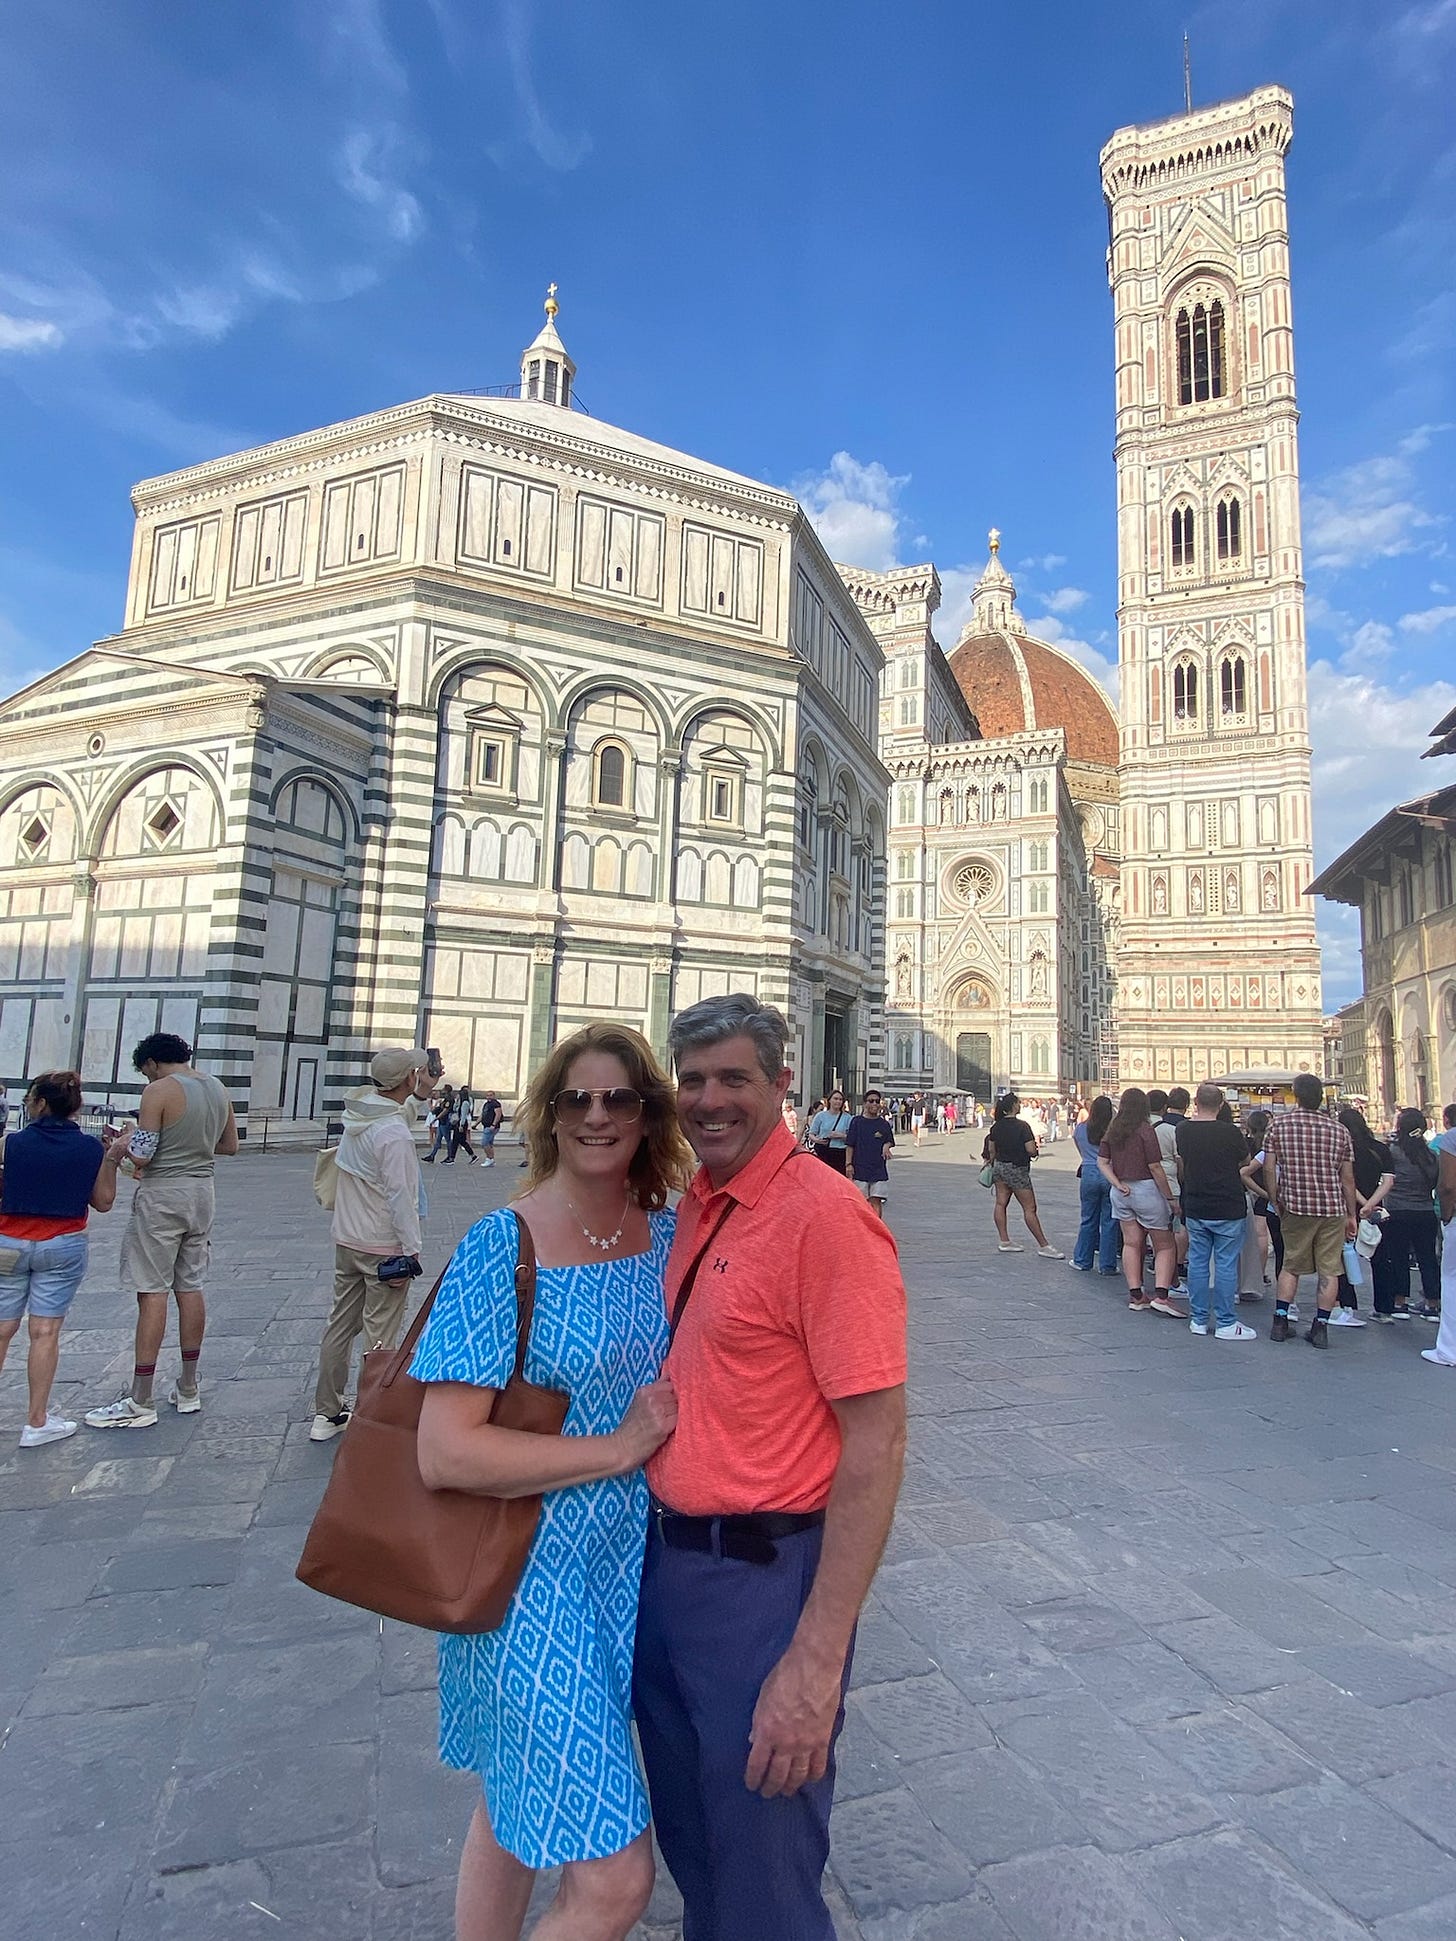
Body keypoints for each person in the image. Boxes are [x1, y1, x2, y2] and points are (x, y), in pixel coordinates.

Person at [633, 993, 907, 1941]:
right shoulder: (698, 1207)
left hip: (764, 1586)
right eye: (695, 1081)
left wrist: (817, 1658)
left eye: (734, 1079)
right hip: (670, 1578)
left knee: (764, 1881)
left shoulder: (826, 1219)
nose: (710, 1100)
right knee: (701, 1852)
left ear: (782, 1084)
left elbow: (876, 1442)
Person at [414, 1022, 694, 1941]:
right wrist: (614, 1450)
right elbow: (446, 1451)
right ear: (550, 1115)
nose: (598, 1114)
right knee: (616, 1881)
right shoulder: (507, 1243)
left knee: (513, 1804)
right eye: (577, 1098)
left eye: (619, 1098)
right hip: (527, 1581)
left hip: (627, 1576)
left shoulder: (666, 1241)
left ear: (651, 1113)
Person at [84, 1033, 237, 1430]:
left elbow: (144, 1154)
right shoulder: (217, 1088)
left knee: (152, 1291)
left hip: (163, 1194)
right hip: (204, 1192)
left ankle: (141, 1397)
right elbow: (230, 1145)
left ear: (151, 1063)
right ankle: (188, 1387)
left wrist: (121, 1144)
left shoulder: (160, 1092)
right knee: (190, 1285)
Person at [309, 1047, 435, 1443]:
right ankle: (369, 1414)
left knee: (340, 1325)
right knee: (381, 1335)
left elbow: (398, 1111)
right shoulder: (393, 1135)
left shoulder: (359, 1114)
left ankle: (326, 1414)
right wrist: (411, 1249)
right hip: (382, 1245)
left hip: (347, 1239)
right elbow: (401, 1197)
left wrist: (421, 1091)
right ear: (407, 1078)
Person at [0, 1071, 126, 1445]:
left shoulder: (12, 1143)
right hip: (63, 1244)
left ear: (39, 1103)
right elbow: (103, 1203)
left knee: (2, 1329)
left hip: (8, 1242)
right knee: (45, 1332)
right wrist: (112, 1158)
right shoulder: (90, 1148)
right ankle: (36, 1422)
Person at [1262, 1073, 1359, 1348]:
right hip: (1331, 1208)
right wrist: (1351, 1214)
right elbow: (1347, 1178)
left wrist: (1275, 1197)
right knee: (1329, 1268)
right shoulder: (1339, 1130)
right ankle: (1321, 1327)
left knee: (1291, 1264)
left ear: (1296, 1095)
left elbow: (1269, 1167)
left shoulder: (1279, 1126)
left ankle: (1281, 1321)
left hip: (1294, 1204)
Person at [1176, 1083, 1258, 1339]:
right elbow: (1244, 1161)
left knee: (1198, 1262)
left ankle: (1198, 1319)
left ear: (1195, 1103)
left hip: (1196, 1204)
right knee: (1225, 1264)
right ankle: (1225, 1322)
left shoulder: (1183, 1130)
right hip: (1227, 1204)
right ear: (1221, 1105)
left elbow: (1182, 1161)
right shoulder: (1230, 1132)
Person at [1098, 1088, 1180, 1315]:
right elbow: (1155, 1167)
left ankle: (1136, 1295)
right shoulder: (1145, 1130)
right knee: (1164, 1244)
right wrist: (1170, 1198)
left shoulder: (1112, 1130)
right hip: (1146, 1189)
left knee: (1131, 1243)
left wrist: (1117, 1183)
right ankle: (1161, 1296)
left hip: (1121, 1192)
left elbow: (1102, 1162)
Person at [983, 1093, 1063, 1258]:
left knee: (1000, 1203)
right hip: (1017, 1169)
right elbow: (1031, 1150)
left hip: (1000, 1167)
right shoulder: (1022, 1126)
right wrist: (1035, 1152)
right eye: (1017, 1103)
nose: (1019, 1105)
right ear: (1012, 1106)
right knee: (1029, 1208)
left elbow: (991, 1150)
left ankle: (1004, 1240)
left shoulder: (996, 1127)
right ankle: (1044, 1245)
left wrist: (993, 1163)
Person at [1383, 1109, 1443, 1323]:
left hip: (1397, 1210)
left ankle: (1399, 1302)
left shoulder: (1392, 1151)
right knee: (1428, 1259)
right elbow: (1436, 1183)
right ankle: (1432, 1303)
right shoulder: (1431, 1155)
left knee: (1398, 1257)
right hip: (1425, 1211)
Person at [1337, 1105, 1395, 1322]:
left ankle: (1348, 1305)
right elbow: (1388, 1180)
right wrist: (1372, 1203)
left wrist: (1361, 1204)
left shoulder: (1343, 1149)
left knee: (1343, 1256)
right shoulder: (1381, 1148)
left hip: (1347, 1208)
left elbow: (1346, 1180)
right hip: (1377, 1209)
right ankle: (1384, 1308)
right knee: (1381, 1258)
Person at [1071, 1095, 1120, 1275]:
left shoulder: (1081, 1129)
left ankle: (1082, 1259)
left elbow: (1080, 1148)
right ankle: (1108, 1265)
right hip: (1110, 1173)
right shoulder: (1114, 1132)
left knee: (1088, 1219)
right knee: (1110, 1221)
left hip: (1089, 1172)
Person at [1419, 1131, 1456, 1367]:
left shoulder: (1452, 1138)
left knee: (1452, 1279)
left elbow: (1447, 1185)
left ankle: (1448, 1349)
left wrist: (1446, 1215)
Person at [844, 1090, 894, 1220]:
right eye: (871, 1101)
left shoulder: (883, 1124)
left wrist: (886, 1146)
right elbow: (850, 1145)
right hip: (860, 1167)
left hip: (878, 1168)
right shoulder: (857, 1122)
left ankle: (877, 1230)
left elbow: (889, 1140)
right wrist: (848, 1164)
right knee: (861, 1201)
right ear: (865, 1103)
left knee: (876, 1200)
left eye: (877, 1101)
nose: (875, 1104)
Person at [807, 1090, 854, 1173]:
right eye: (835, 1099)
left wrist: (841, 1135)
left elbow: (852, 1138)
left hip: (840, 1153)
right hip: (823, 1150)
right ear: (829, 1100)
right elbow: (811, 1134)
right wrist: (818, 1140)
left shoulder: (847, 1117)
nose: (838, 1101)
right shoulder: (820, 1116)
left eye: (840, 1099)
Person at [446, 1086, 478, 1164]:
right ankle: (452, 1158)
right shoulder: (460, 1102)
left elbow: (463, 1115)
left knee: (461, 1141)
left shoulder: (465, 1103)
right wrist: (457, 1102)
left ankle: (472, 1156)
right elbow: (454, 1109)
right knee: (457, 1141)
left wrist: (461, 1125)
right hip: (459, 1123)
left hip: (461, 1123)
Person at [423, 1086, 455, 1164]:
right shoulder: (446, 1098)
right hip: (442, 1121)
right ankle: (432, 1156)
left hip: (445, 1121)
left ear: (446, 1090)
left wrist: (436, 1118)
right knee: (438, 1140)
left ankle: (450, 1157)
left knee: (448, 1140)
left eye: (443, 1089)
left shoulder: (449, 1099)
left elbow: (445, 1110)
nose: (442, 1090)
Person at [477, 1090, 503, 1168]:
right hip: (487, 1126)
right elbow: (483, 1115)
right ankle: (491, 1160)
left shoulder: (495, 1104)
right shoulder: (486, 1104)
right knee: (489, 1144)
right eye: (487, 1095)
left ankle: (489, 1159)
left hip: (491, 1127)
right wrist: (476, 1124)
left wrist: (493, 1124)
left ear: (494, 1096)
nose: (489, 1097)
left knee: (484, 1143)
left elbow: (498, 1114)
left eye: (490, 1095)